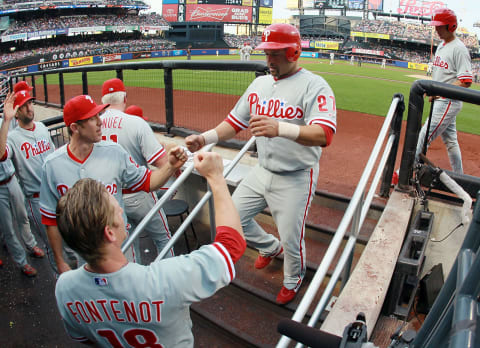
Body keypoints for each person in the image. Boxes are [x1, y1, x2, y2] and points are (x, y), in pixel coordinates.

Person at [185, 23, 337, 305]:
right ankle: (270, 248)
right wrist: (204, 138)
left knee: (293, 239)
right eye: (266, 53)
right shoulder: (260, 84)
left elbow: (324, 135)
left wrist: (281, 128)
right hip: (262, 170)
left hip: (296, 176)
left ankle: (294, 279)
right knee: (231, 217)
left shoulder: (315, 85)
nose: (268, 60)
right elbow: (234, 123)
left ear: (293, 52)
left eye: (275, 54)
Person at [54, 152, 246, 347]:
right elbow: (231, 246)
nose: (121, 210)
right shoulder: (162, 281)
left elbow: (85, 338)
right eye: (116, 208)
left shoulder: (65, 287)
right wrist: (216, 177)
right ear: (109, 233)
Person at [39, 94, 187, 274]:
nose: (100, 122)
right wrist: (60, 260)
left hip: (121, 249)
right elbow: (50, 219)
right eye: (92, 118)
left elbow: (149, 182)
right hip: (85, 256)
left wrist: (170, 166)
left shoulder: (114, 152)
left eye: (98, 115)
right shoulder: (52, 165)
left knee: (130, 293)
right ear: (75, 127)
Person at [101, 78, 174, 261]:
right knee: (163, 239)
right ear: (124, 97)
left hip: (110, 199)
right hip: (139, 193)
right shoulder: (136, 123)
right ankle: (170, 285)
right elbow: (162, 163)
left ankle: (137, 286)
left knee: (129, 245)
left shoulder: (94, 125)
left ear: (103, 100)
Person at [415, 8, 472, 174]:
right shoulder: (441, 46)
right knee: (451, 143)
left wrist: (439, 92)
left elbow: (465, 81)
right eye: (436, 26)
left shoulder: (459, 48)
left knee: (423, 136)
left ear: (451, 26)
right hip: (440, 100)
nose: (437, 29)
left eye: (440, 26)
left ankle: (404, 172)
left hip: (448, 102)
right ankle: (460, 178)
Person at [0, 91, 47, 260]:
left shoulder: (41, 127)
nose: (29, 107)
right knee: (8, 228)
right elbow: (1, 155)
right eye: (24, 105)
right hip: (24, 194)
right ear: (17, 112)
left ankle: (32, 245)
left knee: (23, 218)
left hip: (16, 180)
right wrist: (6, 120)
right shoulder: (9, 131)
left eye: (30, 103)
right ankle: (22, 262)